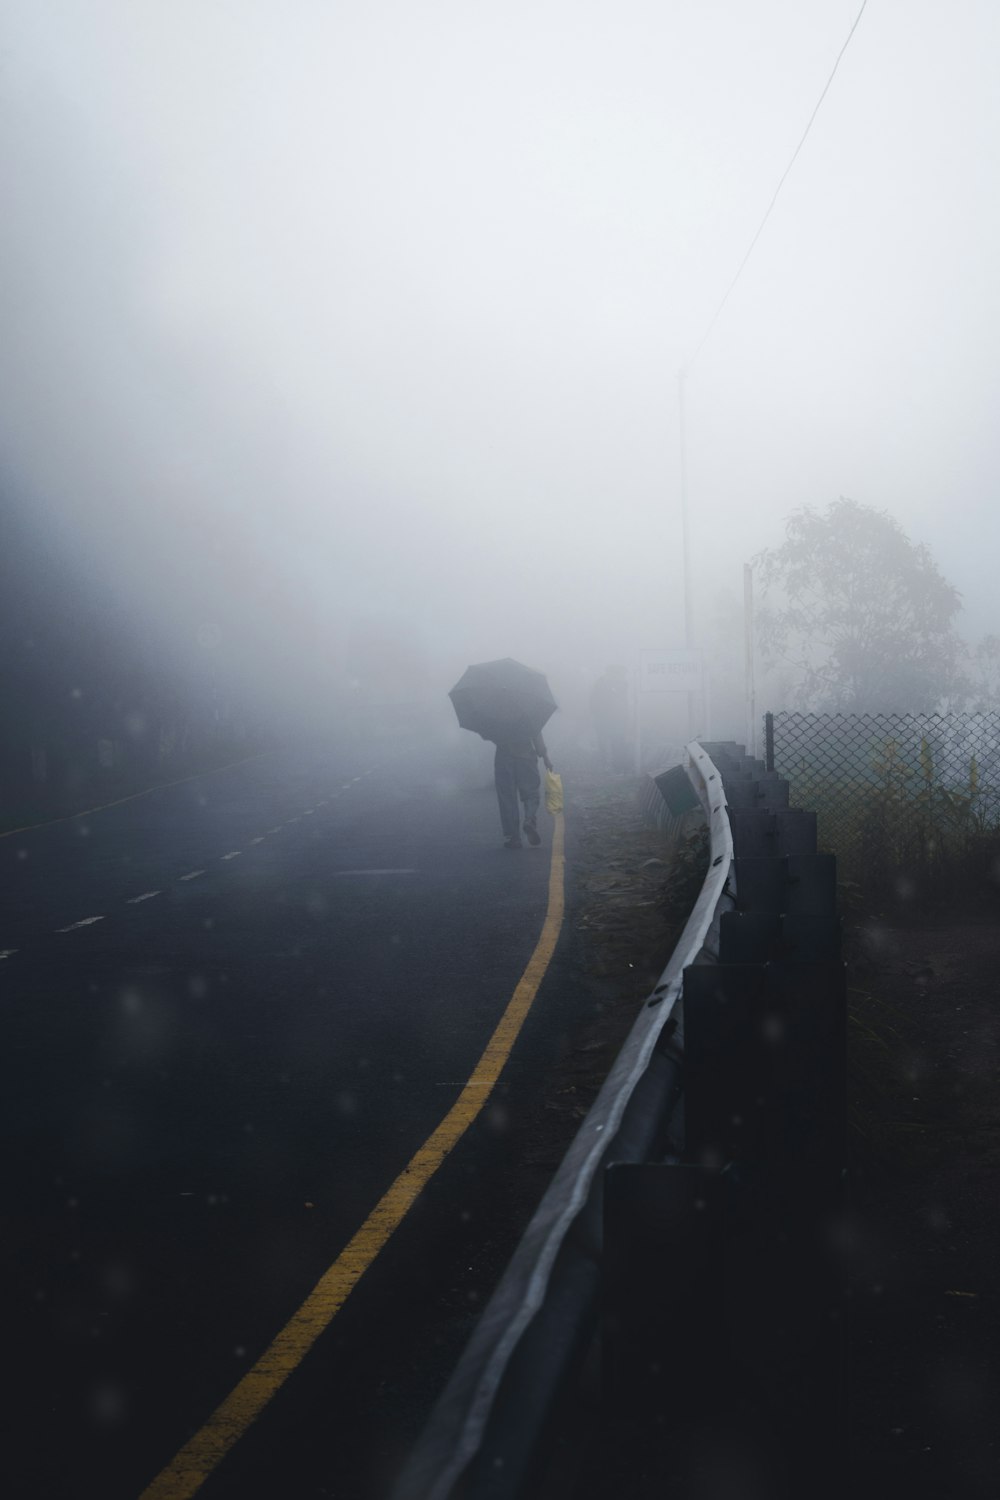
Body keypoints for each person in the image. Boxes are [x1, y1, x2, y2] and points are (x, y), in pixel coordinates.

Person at [491, 725, 553, 849]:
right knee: (531, 792)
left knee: (507, 797)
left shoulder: (495, 714)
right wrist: (545, 757)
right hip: (526, 756)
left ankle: (514, 837)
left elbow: (491, 735)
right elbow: (536, 733)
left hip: (503, 757)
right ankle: (529, 819)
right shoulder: (526, 713)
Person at [590, 664, 629, 772]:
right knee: (605, 742)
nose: (622, 676)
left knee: (618, 742)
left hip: (617, 719)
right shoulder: (601, 684)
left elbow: (624, 701)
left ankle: (618, 766)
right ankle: (606, 764)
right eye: (621, 673)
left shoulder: (622, 684)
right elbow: (594, 702)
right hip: (604, 718)